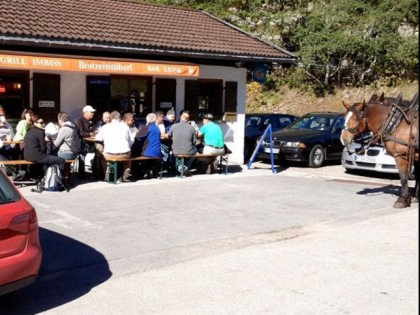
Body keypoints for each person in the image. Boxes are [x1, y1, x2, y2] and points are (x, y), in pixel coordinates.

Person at [95, 111, 133, 182]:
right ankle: (126, 172)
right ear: (119, 117)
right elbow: (131, 141)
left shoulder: (105, 127)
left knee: (99, 146)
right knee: (129, 153)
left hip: (109, 155)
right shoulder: (125, 127)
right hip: (124, 155)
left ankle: (107, 170)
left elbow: (98, 138)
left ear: (111, 118)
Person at [167, 111, 197, 176]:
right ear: (188, 119)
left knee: (173, 155)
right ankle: (185, 167)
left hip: (176, 150)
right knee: (195, 151)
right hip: (188, 150)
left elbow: (168, 136)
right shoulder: (192, 128)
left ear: (180, 117)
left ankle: (179, 168)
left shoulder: (174, 126)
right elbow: (194, 141)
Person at [52, 112, 78, 182]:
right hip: (73, 152)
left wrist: (50, 140)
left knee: (49, 156)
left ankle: (57, 177)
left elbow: (56, 144)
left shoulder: (64, 129)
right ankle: (66, 176)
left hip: (65, 153)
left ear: (60, 119)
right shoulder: (73, 126)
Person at [134, 113, 162, 179]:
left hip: (148, 152)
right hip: (157, 152)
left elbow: (137, 136)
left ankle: (140, 173)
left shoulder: (147, 127)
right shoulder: (157, 128)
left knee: (135, 154)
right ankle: (151, 171)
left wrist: (138, 145)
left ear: (147, 120)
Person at [75, 105, 96, 179]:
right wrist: (89, 134)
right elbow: (80, 133)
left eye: (93, 112)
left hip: (92, 143)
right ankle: (81, 174)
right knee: (82, 156)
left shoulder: (92, 121)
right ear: (86, 112)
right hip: (82, 143)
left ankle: (96, 173)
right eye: (91, 112)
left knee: (98, 153)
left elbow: (94, 131)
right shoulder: (79, 121)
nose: (93, 113)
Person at [158, 108, 176, 172]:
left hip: (168, 141)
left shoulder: (171, 122)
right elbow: (163, 134)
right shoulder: (164, 121)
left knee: (167, 154)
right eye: (172, 117)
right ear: (168, 115)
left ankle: (168, 168)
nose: (173, 118)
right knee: (165, 155)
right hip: (164, 141)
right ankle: (165, 168)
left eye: (174, 117)